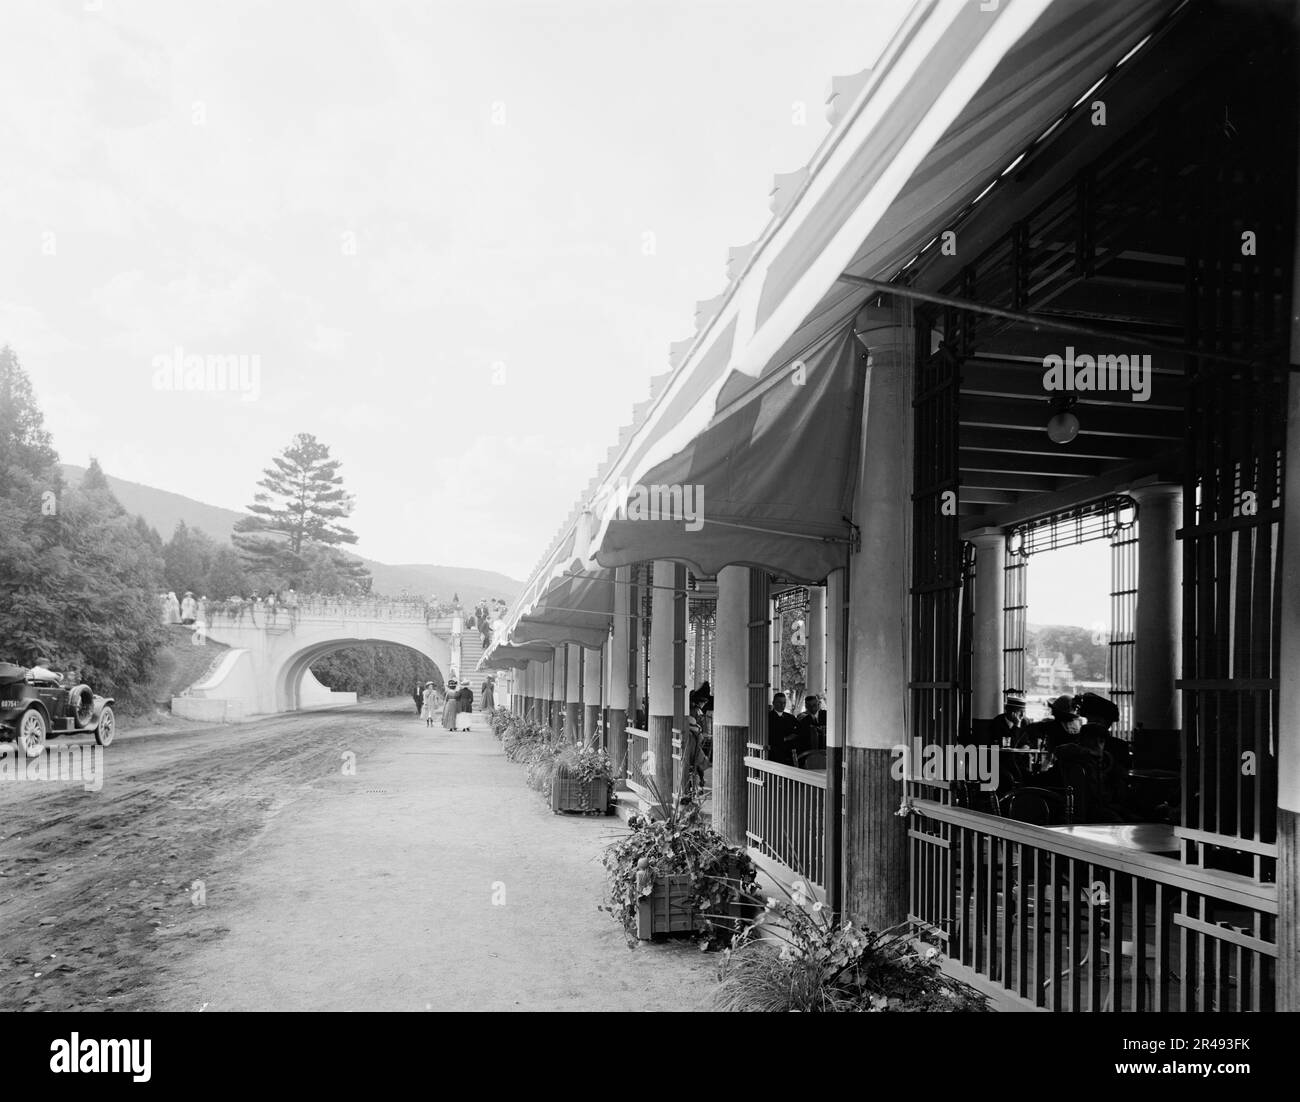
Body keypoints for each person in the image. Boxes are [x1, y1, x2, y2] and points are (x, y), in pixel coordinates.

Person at [767, 692, 798, 767]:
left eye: (784, 703)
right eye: (779, 702)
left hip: (789, 752)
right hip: (774, 753)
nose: (782, 705)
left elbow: (797, 732)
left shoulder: (791, 717)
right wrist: (785, 738)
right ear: (773, 703)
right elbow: (769, 735)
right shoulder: (768, 718)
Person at [793, 694, 823, 764]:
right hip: (806, 753)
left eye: (814, 705)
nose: (812, 708)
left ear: (818, 704)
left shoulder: (825, 715)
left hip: (824, 752)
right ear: (806, 706)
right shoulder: (802, 718)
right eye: (809, 706)